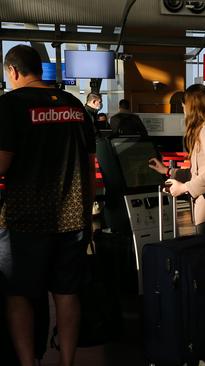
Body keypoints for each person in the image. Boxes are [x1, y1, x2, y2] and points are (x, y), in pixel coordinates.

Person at [0, 45, 96, 366]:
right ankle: (66, 361)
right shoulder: (74, 106)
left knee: (19, 294)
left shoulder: (10, 105)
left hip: (25, 219)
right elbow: (89, 162)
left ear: (13, 71)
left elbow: (2, 162)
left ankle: (29, 362)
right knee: (67, 293)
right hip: (73, 217)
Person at [149, 84, 205, 242]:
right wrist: (168, 171)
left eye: (184, 107)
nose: (183, 111)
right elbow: (201, 171)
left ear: (191, 107)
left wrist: (184, 188)